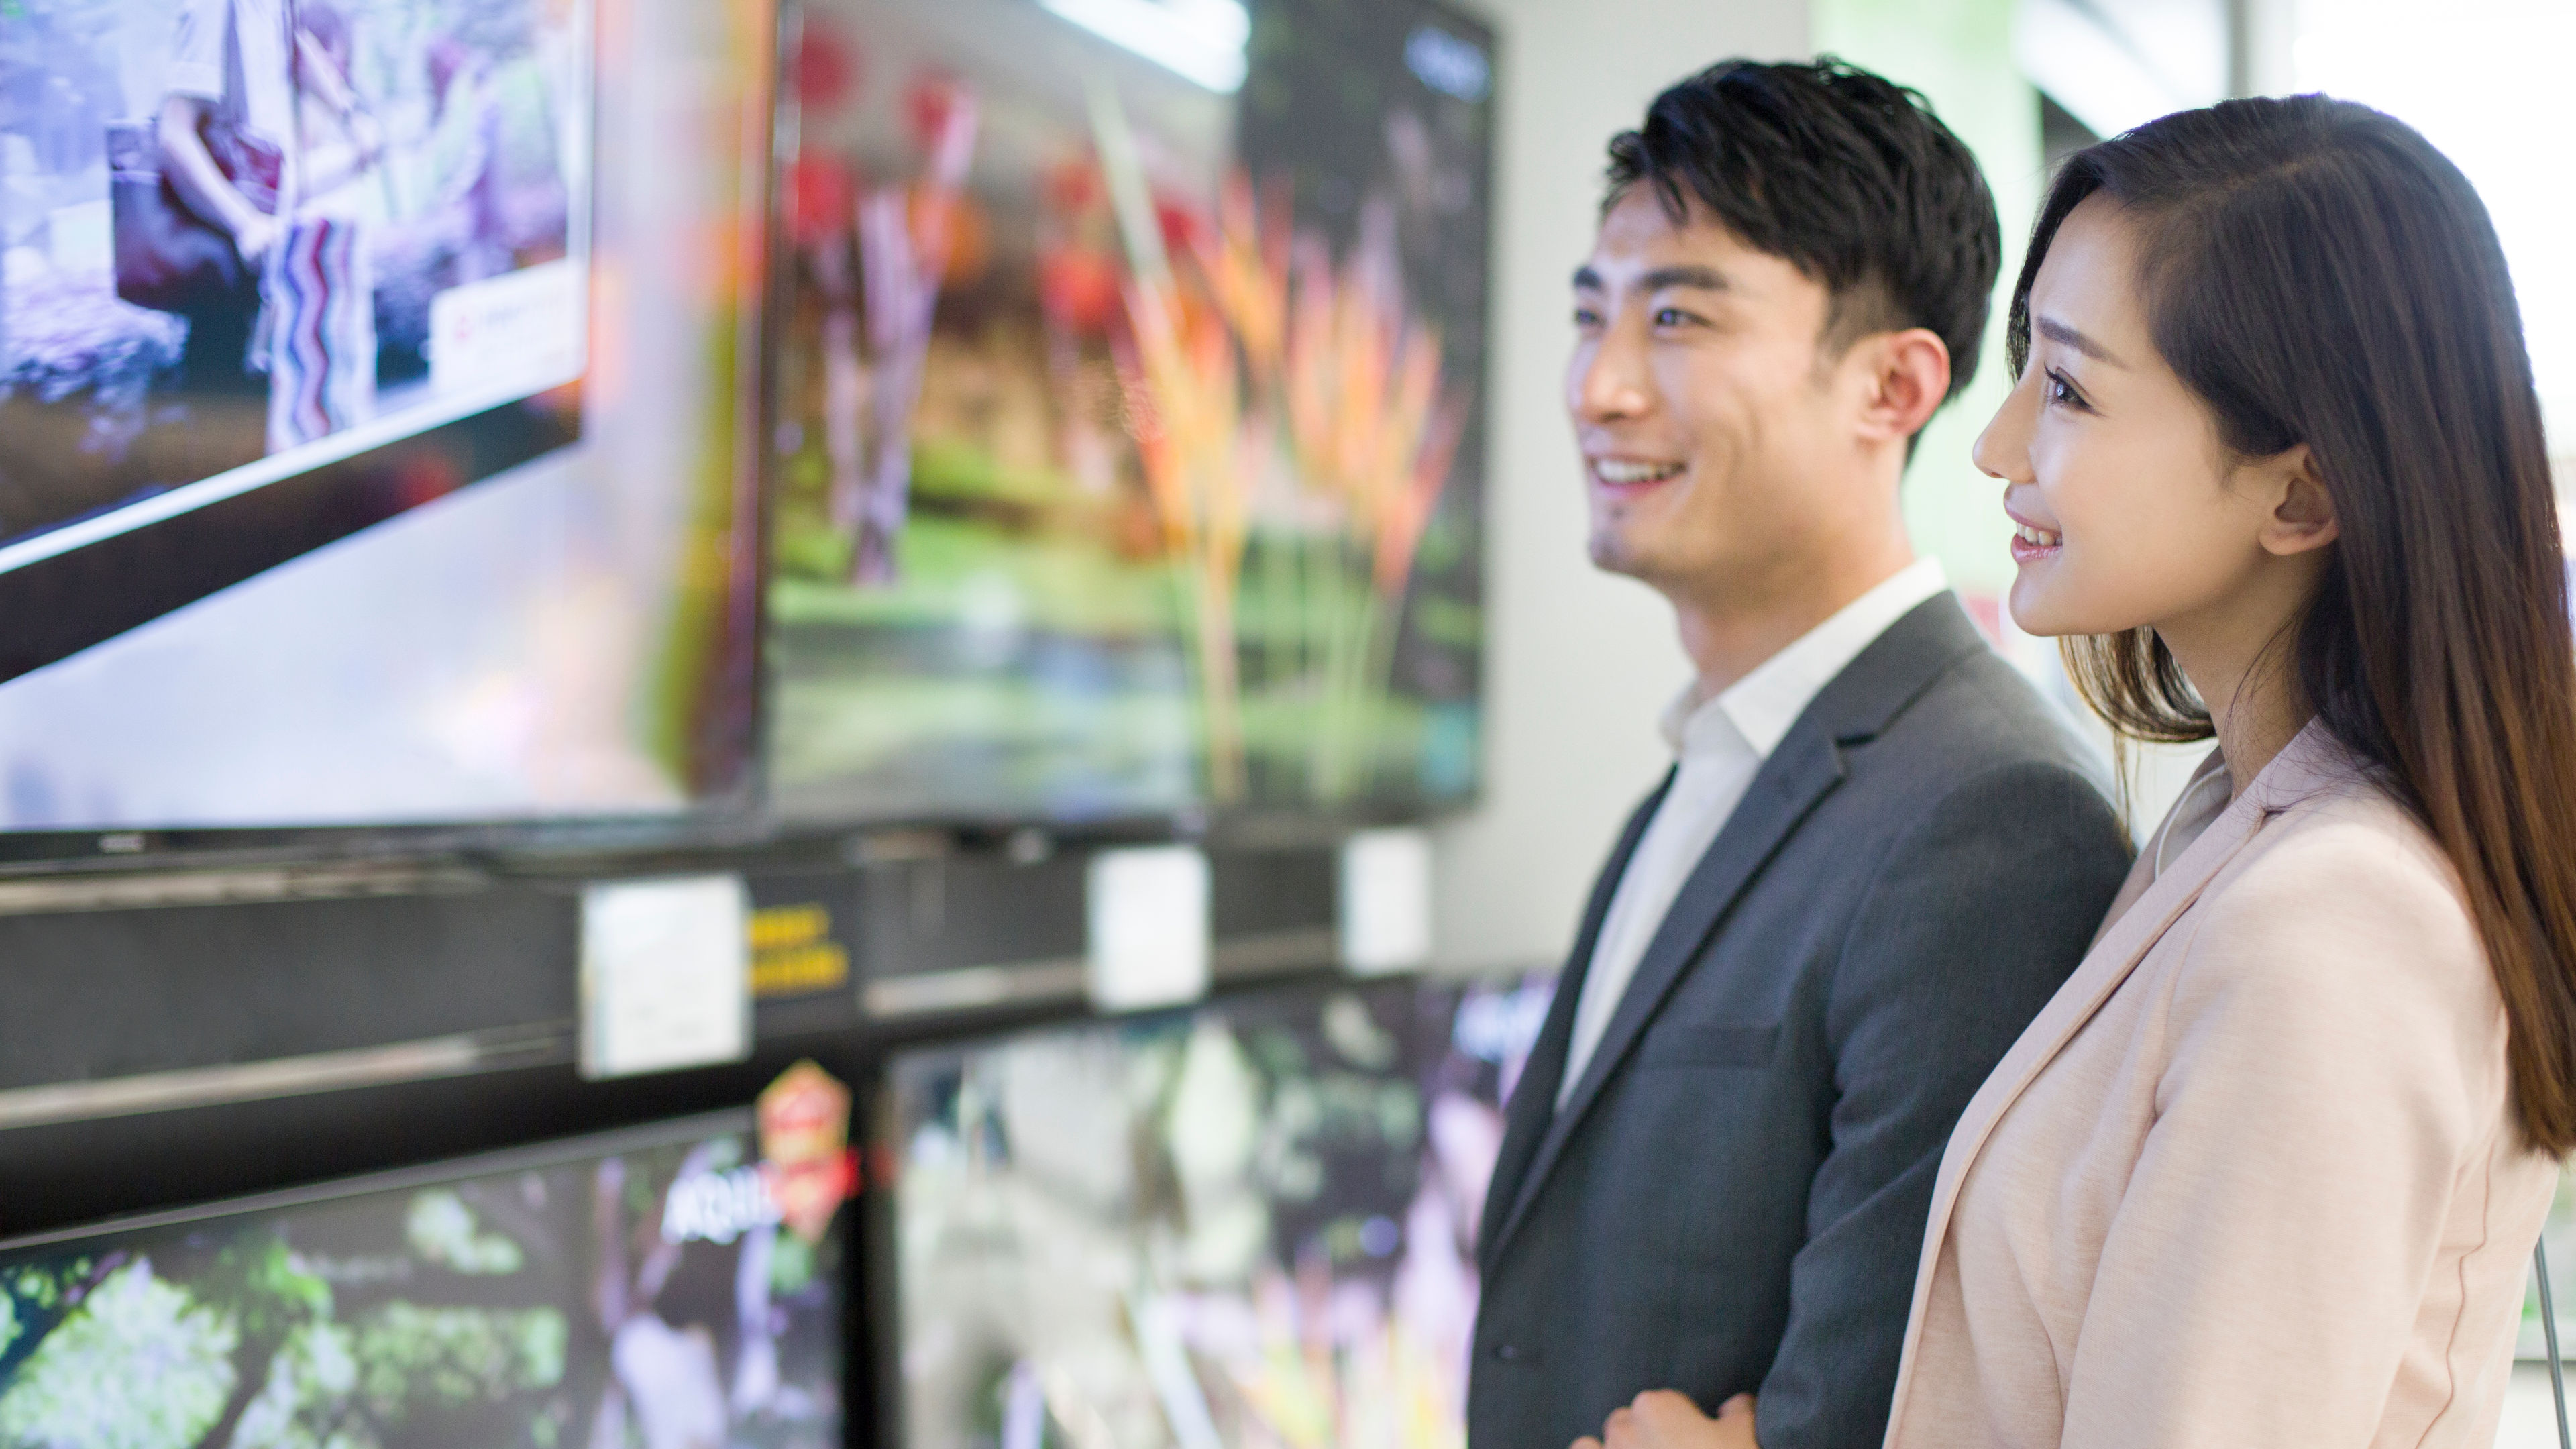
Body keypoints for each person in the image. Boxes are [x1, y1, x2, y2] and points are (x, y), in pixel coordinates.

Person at [1866, 95, 2576, 1448]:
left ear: (2300, 497)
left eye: (2068, 388)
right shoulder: (2232, 829)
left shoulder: (2335, 925)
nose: (1998, 443)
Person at [1466, 59, 2131, 1449]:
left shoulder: (1991, 818)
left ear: (1893, 385)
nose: (1599, 389)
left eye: (1677, 319)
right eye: (1591, 317)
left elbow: (1906, 1402)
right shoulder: (1715, 761)